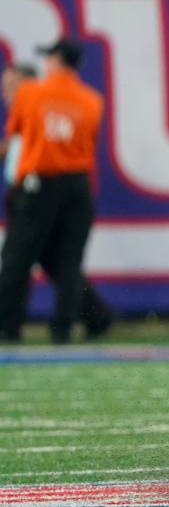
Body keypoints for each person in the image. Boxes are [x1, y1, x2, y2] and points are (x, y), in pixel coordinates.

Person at [1, 62, 115, 342]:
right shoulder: (30, 112)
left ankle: (9, 325)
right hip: (33, 194)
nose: (7, 92)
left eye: (12, 86)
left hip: (39, 195)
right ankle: (96, 314)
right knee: (56, 264)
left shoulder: (37, 108)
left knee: (18, 260)